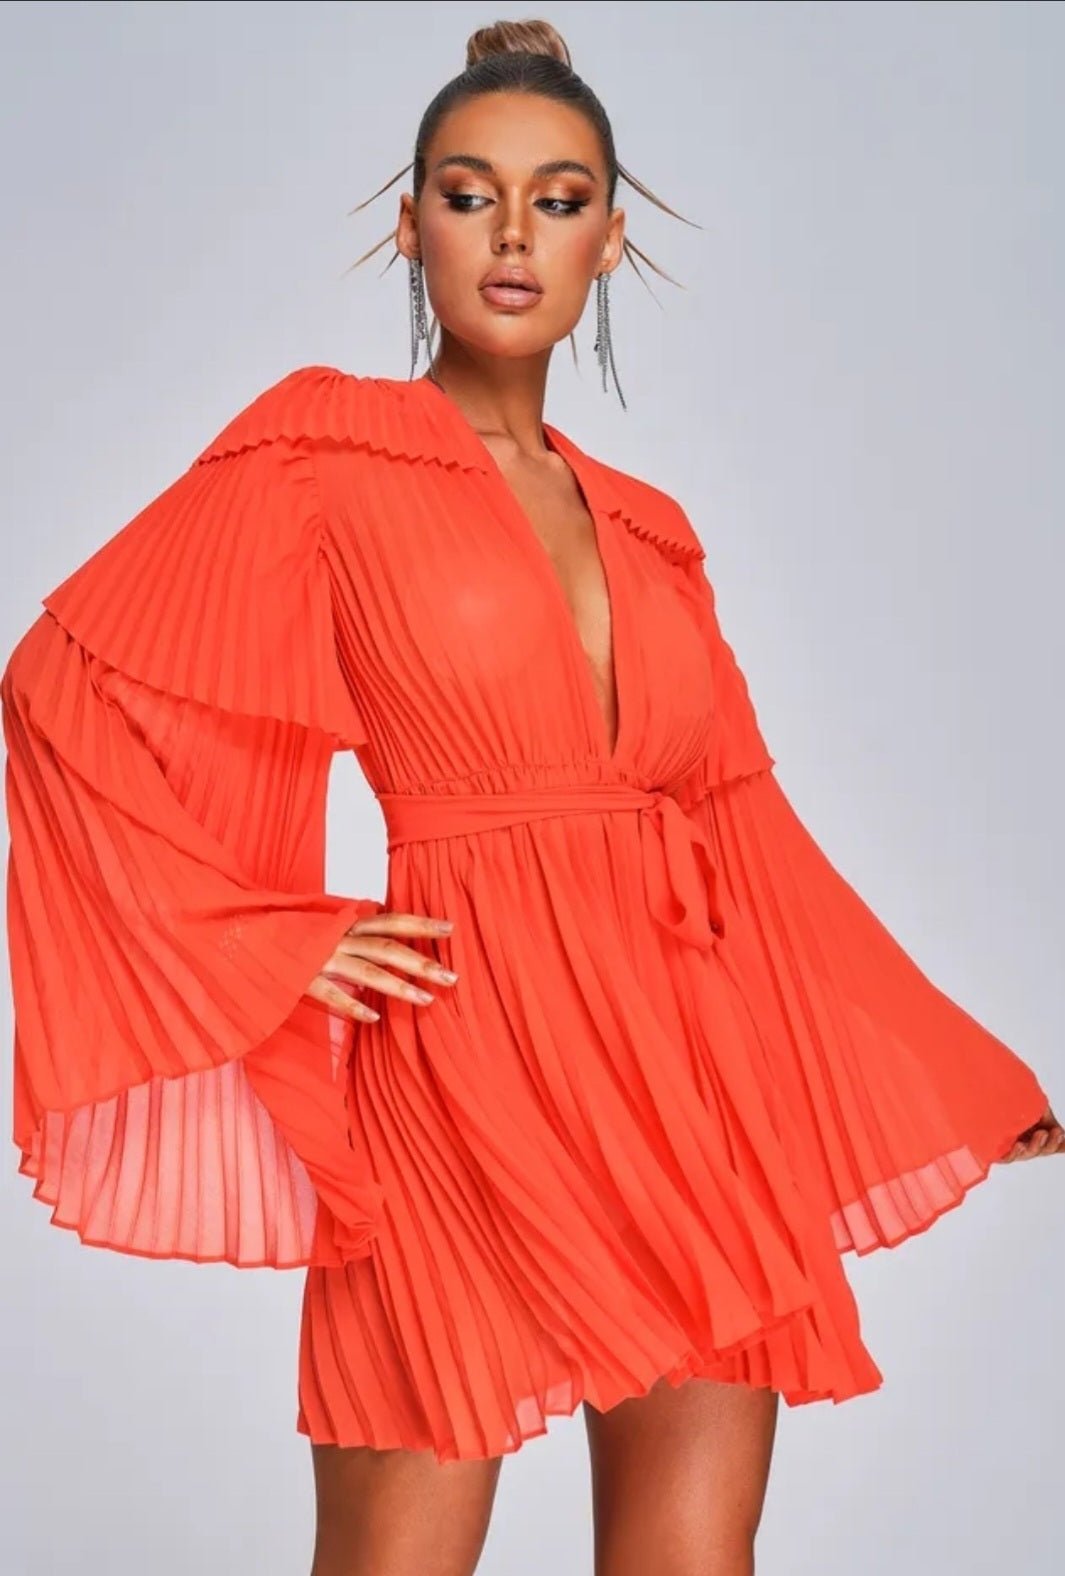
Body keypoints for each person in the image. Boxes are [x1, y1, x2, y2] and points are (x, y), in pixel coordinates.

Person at [3, 17, 1061, 1576]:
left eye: (556, 200)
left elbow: (748, 837)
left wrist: (953, 1064)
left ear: (608, 239)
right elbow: (62, 690)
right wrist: (263, 936)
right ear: (408, 223)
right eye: (467, 193)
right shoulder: (321, 456)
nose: (511, 235)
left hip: (685, 1087)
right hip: (453, 1068)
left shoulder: (651, 530)